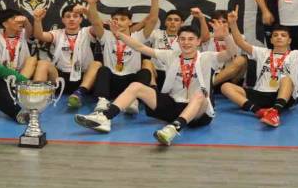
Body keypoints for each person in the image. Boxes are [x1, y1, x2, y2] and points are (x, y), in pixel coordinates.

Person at [74, 19, 235, 146]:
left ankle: (173, 129)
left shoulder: (208, 58)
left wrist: (227, 36)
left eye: (191, 39)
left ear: (198, 41)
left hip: (199, 113)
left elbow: (231, 53)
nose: (186, 42)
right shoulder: (171, 55)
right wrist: (119, 35)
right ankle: (105, 118)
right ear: (178, 41)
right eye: (183, 39)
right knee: (136, 86)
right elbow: (141, 48)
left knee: (200, 94)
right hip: (173, 106)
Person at [221, 7, 298, 127]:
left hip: (283, 96)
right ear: (271, 40)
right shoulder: (262, 52)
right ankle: (259, 111)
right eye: (275, 35)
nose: (279, 37)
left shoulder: (295, 55)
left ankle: (275, 112)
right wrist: (233, 24)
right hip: (260, 94)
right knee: (225, 86)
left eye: (283, 35)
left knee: (287, 79)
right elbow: (240, 42)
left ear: (289, 40)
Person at [87, 0, 157, 113]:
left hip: (131, 85)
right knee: (103, 70)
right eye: (115, 19)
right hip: (111, 83)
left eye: (123, 19)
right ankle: (103, 100)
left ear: (130, 22)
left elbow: (152, 21)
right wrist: (92, 4)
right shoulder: (106, 35)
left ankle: (133, 100)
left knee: (145, 72)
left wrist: (155, 0)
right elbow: (96, 22)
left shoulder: (137, 37)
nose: (118, 22)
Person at [31, 1, 102, 110]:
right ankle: (36, 98)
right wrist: (37, 20)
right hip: (60, 79)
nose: (71, 19)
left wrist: (87, 12)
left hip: (83, 79)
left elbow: (97, 25)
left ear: (81, 19)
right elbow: (39, 35)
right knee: (42, 63)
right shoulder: (57, 33)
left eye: (75, 16)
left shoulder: (87, 31)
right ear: (63, 20)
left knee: (96, 64)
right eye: (68, 16)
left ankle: (79, 93)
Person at [144, 5, 210, 87]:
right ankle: (153, 87)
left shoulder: (186, 37)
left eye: (176, 20)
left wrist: (201, 18)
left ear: (182, 23)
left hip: (177, 73)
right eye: (169, 19)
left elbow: (205, 38)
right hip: (157, 71)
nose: (172, 22)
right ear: (165, 22)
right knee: (146, 62)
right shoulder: (156, 33)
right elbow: (141, 37)